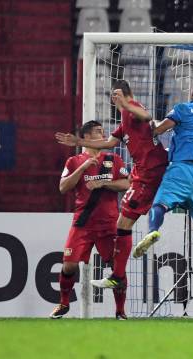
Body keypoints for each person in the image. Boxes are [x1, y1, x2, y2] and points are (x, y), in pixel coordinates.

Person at [55, 80, 168, 293]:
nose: (113, 101)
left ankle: (121, 272)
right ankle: (122, 268)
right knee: (123, 224)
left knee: (123, 223)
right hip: (143, 171)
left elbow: (147, 117)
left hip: (149, 171)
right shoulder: (124, 121)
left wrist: (125, 103)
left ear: (122, 94)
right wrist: (79, 142)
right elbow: (107, 143)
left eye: (115, 96)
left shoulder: (133, 108)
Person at [132, 75, 193, 319]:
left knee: (159, 204)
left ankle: (153, 229)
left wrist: (149, 121)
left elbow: (159, 129)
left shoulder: (183, 109)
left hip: (182, 168)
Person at [51, 121, 130, 319]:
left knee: (116, 267)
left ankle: (120, 311)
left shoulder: (113, 158)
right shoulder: (74, 161)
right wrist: (83, 167)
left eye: (104, 132)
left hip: (109, 224)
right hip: (83, 223)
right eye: (98, 132)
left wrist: (104, 182)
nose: (103, 135)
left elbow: (128, 183)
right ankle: (64, 303)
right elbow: (63, 187)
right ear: (85, 137)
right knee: (69, 265)